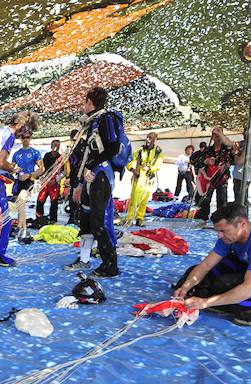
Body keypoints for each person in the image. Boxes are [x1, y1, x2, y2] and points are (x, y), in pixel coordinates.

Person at [65, 87, 124, 277]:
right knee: (86, 219)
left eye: (85, 101)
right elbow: (86, 155)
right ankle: (84, 260)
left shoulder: (105, 119)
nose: (83, 105)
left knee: (99, 221)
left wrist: (92, 167)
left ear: (90, 102)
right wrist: (80, 182)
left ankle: (110, 264)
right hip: (90, 176)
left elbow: (113, 147)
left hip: (101, 176)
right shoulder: (91, 123)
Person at [0, 110, 40, 266]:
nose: (26, 135)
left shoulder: (2, 132)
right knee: (3, 218)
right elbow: (0, 162)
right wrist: (13, 169)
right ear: (20, 124)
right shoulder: (9, 136)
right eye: (27, 130)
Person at [192, 128, 233, 220]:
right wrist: (205, 162)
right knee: (204, 201)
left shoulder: (228, 149)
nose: (217, 137)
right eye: (215, 135)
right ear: (212, 137)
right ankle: (203, 218)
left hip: (222, 178)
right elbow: (196, 162)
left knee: (222, 201)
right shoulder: (207, 150)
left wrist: (228, 164)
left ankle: (221, 220)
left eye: (219, 135)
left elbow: (234, 159)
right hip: (208, 180)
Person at [124, 132, 162, 226]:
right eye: (147, 137)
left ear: (155, 139)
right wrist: (132, 170)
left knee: (144, 200)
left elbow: (158, 165)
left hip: (149, 179)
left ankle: (139, 218)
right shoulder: (140, 150)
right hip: (138, 178)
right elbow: (128, 161)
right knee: (134, 199)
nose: (148, 140)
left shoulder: (158, 152)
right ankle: (129, 219)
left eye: (151, 138)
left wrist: (149, 168)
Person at [10, 134, 41, 238]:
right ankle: (21, 228)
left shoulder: (35, 152)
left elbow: (42, 169)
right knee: (20, 204)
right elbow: (11, 169)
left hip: (29, 181)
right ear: (20, 138)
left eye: (27, 137)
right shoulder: (16, 154)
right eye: (23, 137)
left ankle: (22, 228)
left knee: (21, 200)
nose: (25, 139)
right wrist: (15, 170)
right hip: (18, 182)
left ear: (30, 138)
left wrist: (30, 175)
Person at [229, 123, 251, 206]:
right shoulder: (246, 143)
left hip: (243, 176)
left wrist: (236, 152)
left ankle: (242, 217)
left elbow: (239, 161)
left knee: (241, 202)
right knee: (239, 199)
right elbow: (233, 144)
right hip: (239, 176)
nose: (244, 133)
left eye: (246, 130)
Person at [35, 139, 63, 225]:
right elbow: (43, 168)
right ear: (51, 146)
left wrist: (56, 179)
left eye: (58, 145)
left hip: (54, 182)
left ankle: (53, 219)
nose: (56, 147)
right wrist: (41, 177)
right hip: (45, 180)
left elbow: (63, 171)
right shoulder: (47, 155)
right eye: (54, 144)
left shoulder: (61, 157)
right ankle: (39, 217)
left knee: (54, 200)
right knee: (40, 199)